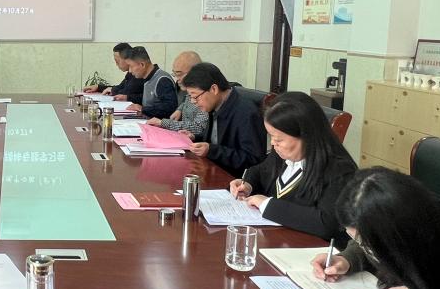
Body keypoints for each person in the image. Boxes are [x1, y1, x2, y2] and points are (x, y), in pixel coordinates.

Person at [229, 92, 356, 241]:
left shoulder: (340, 170)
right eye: (271, 136)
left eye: (278, 139)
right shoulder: (283, 154)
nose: (273, 143)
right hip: (276, 240)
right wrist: (247, 184)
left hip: (308, 249)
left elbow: (327, 223)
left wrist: (266, 204)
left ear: (306, 136)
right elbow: (261, 171)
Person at [181, 62, 265, 177]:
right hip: (210, 170)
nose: (193, 101)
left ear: (214, 89)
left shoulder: (246, 113)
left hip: (232, 179)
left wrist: (211, 151)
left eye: (195, 96)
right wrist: (195, 137)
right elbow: (216, 138)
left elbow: (253, 160)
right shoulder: (216, 104)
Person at [145, 50, 209, 139]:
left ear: (195, 72)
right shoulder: (191, 88)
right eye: (175, 74)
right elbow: (187, 99)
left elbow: (198, 127)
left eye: (179, 74)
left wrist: (163, 123)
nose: (177, 79)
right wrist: (180, 109)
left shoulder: (205, 93)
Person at [121, 46, 178, 119]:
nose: (130, 71)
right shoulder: (146, 77)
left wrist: (143, 109)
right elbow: (149, 100)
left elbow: (169, 107)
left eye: (131, 66)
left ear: (142, 65)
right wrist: (128, 97)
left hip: (159, 124)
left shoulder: (162, 80)